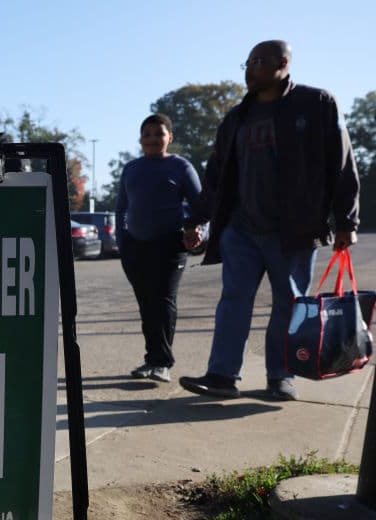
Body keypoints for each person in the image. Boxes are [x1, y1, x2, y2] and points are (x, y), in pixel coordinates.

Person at [179, 40, 360, 401]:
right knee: (232, 301)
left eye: (257, 62)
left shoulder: (316, 104)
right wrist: (196, 221)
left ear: (283, 62)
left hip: (293, 230)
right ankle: (221, 376)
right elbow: (217, 176)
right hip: (240, 230)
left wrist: (346, 221)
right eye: (246, 63)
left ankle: (281, 377)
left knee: (288, 305)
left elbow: (341, 161)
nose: (249, 69)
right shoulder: (235, 118)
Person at [116, 113, 202, 383]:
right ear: (141, 140)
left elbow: (201, 206)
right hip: (135, 247)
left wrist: (199, 231)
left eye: (159, 134)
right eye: (147, 134)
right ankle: (151, 360)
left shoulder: (181, 167)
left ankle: (162, 363)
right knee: (146, 305)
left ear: (170, 138)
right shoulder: (131, 168)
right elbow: (121, 210)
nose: (153, 139)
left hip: (171, 244)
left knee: (163, 301)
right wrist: (122, 242)